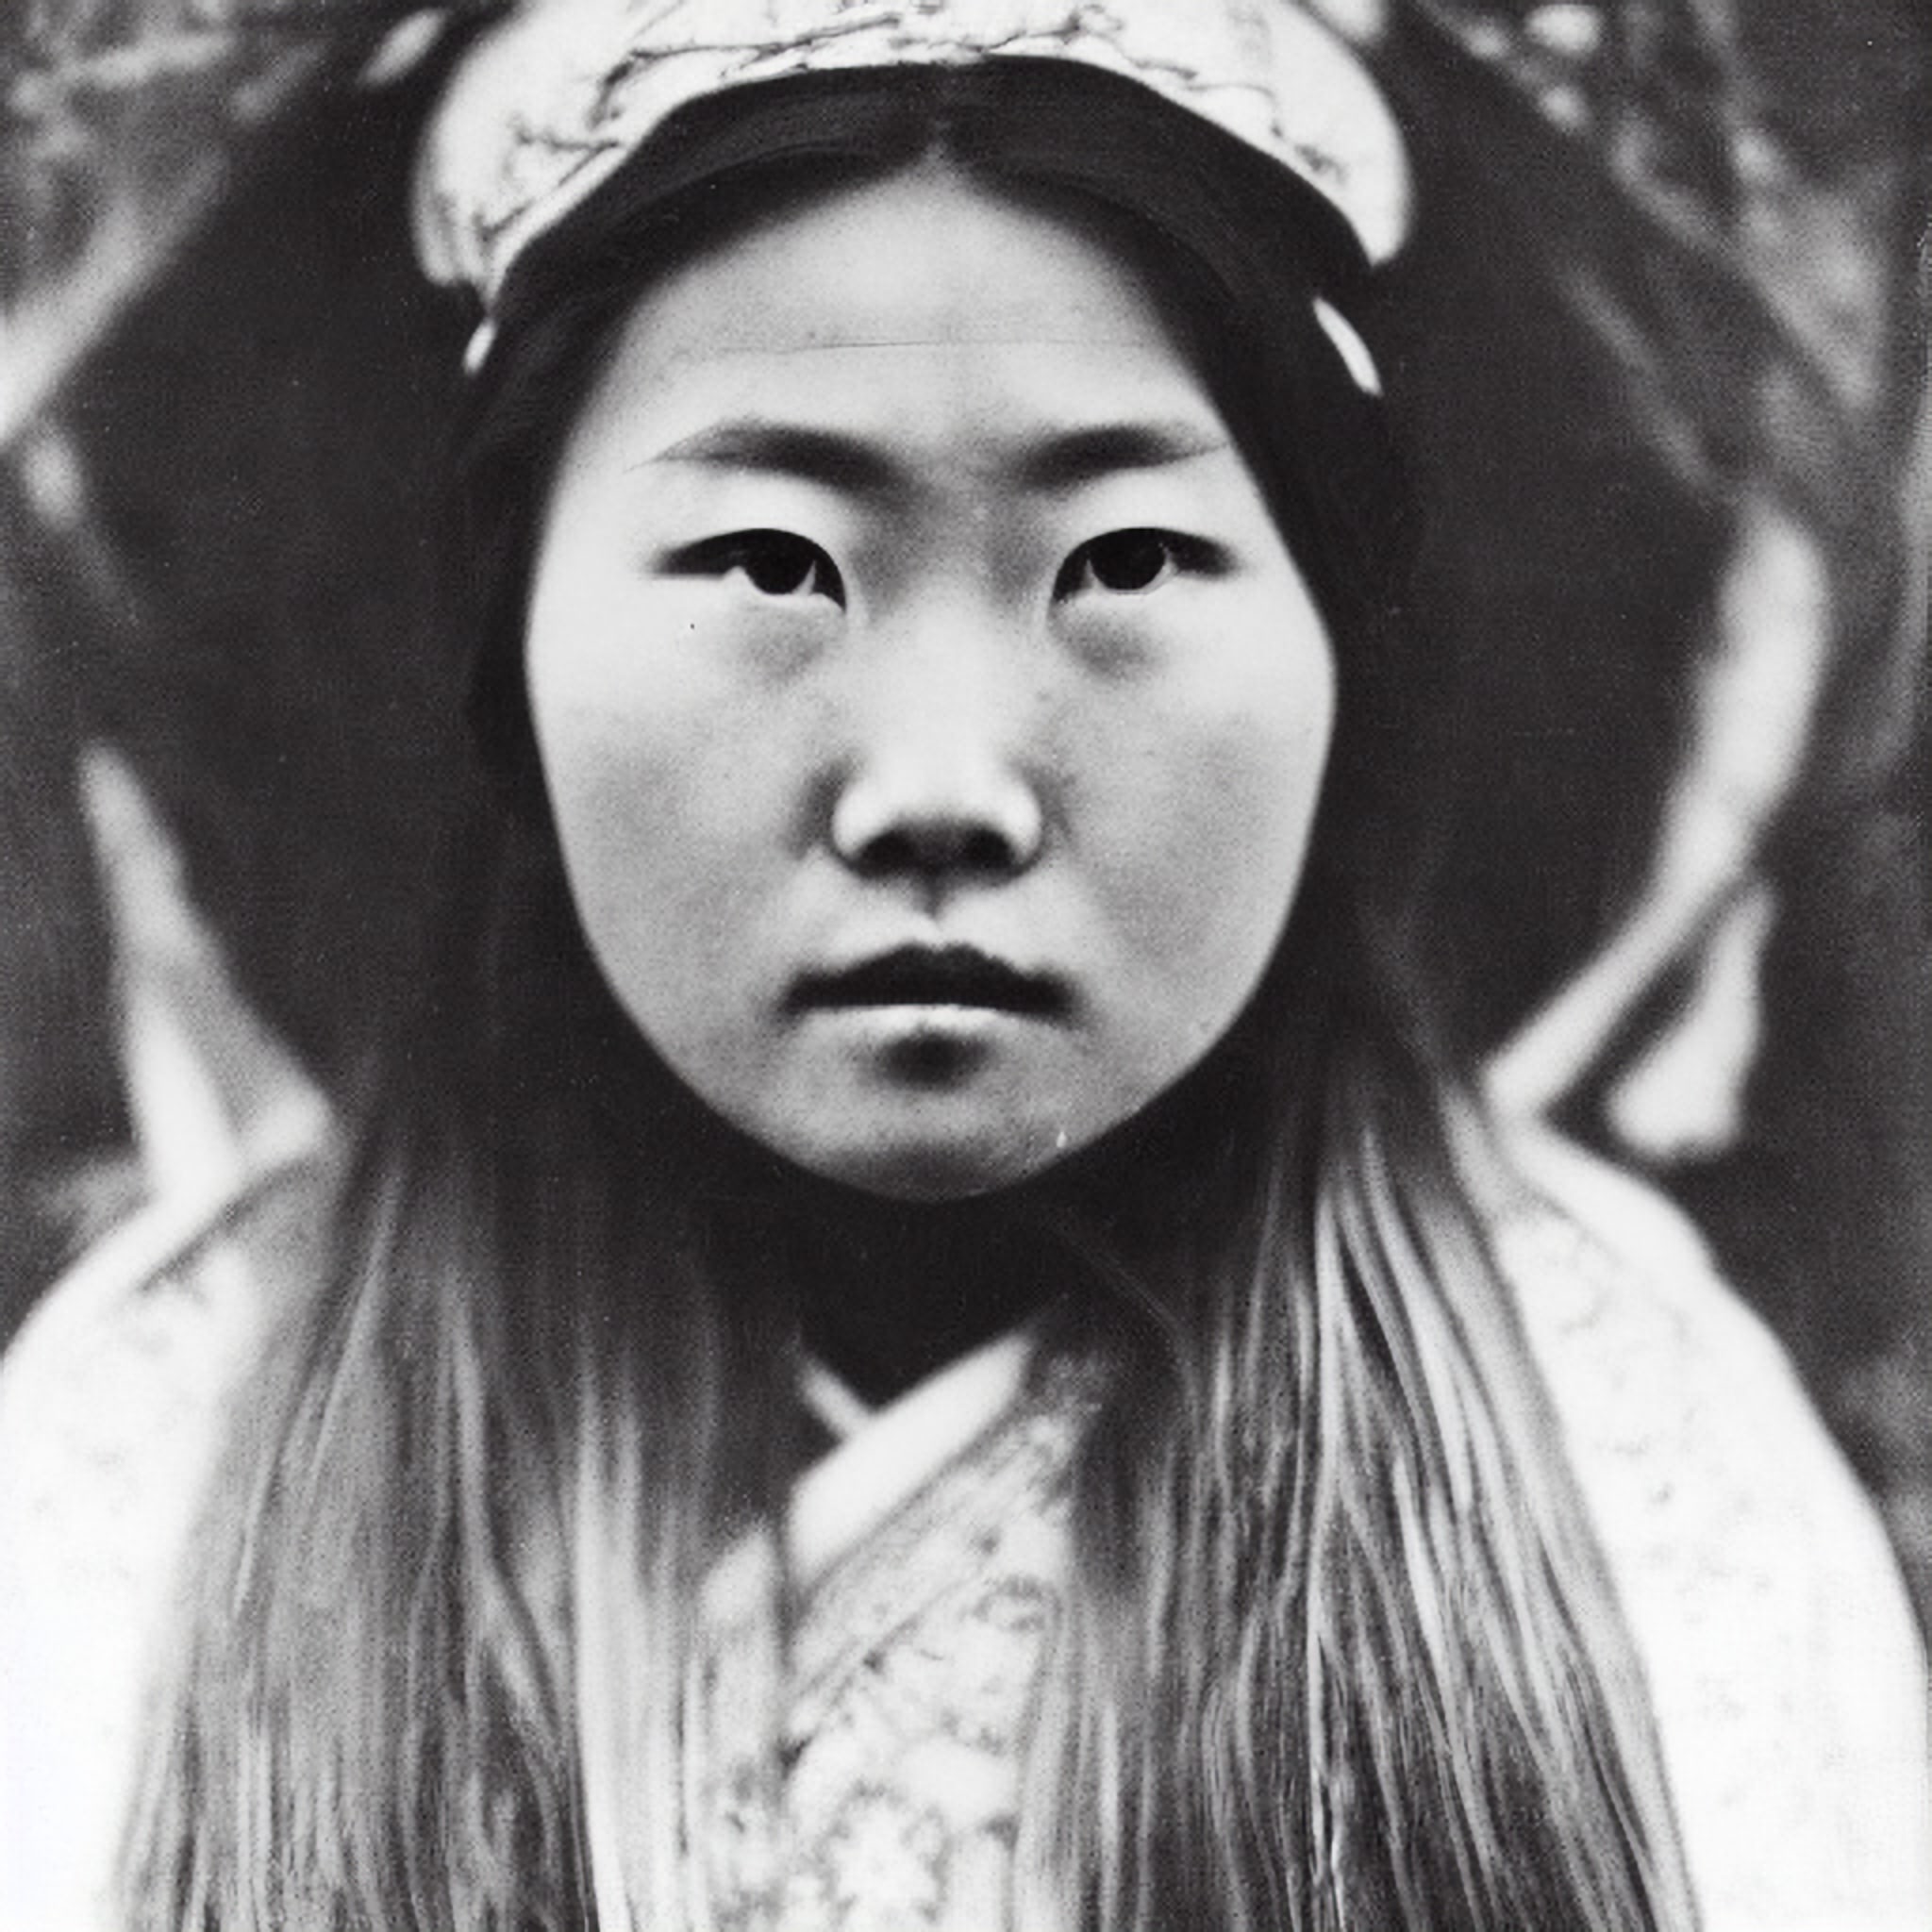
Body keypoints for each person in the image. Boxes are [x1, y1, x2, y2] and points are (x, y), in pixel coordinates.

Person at [0, 5, 1925, 1929]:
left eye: (1126, 559)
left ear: (1345, 643)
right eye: (769, 560)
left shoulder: (1647, 1486)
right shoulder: (149, 1479)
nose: (939, 787)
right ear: (506, 636)